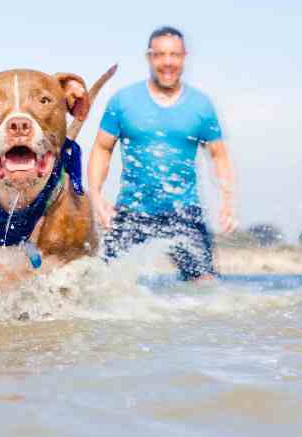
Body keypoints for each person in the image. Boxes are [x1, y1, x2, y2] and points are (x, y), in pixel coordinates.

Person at [87, 25, 237, 280]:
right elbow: (102, 149)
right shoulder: (123, 102)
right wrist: (96, 197)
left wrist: (228, 201)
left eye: (174, 55)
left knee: (206, 286)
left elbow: (218, 155)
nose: (168, 62)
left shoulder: (201, 106)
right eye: (160, 55)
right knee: (103, 284)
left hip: (184, 212)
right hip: (132, 211)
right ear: (150, 57)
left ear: (184, 57)